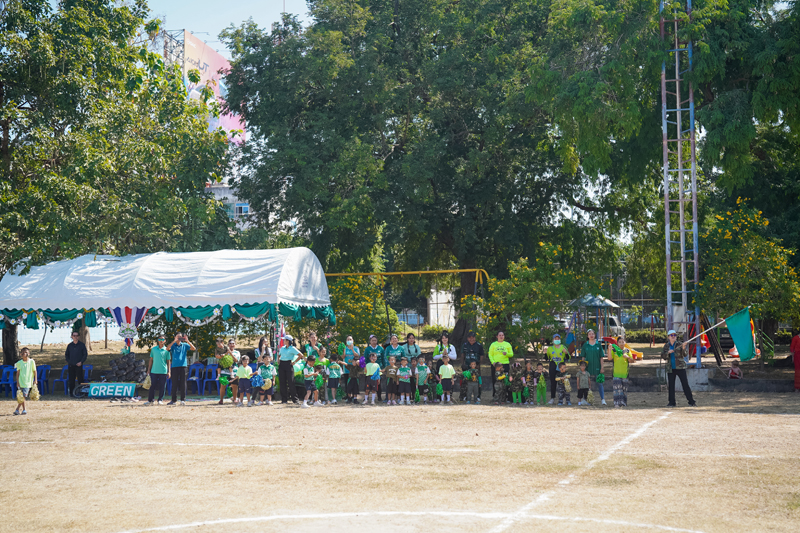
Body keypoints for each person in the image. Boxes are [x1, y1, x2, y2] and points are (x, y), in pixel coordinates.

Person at [660, 330, 696, 407]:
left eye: (674, 335)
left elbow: (685, 354)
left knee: (685, 384)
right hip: (670, 368)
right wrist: (668, 353)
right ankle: (672, 402)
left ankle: (691, 402)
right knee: (671, 386)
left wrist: (684, 347)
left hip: (680, 367)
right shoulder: (666, 346)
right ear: (668, 337)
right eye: (671, 335)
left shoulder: (680, 344)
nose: (673, 336)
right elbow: (663, 356)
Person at [166, 332, 196, 406]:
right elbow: (167, 348)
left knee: (183, 383)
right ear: (175, 337)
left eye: (180, 336)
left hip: (183, 366)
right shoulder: (173, 345)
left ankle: (183, 400)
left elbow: (193, 348)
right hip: (174, 367)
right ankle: (173, 400)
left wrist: (187, 341)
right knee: (174, 383)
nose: (179, 338)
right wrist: (174, 341)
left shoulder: (185, 345)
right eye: (178, 336)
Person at [581, 329, 607, 406]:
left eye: (592, 334)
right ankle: (586, 399)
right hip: (588, 367)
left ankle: (603, 400)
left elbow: (601, 357)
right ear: (587, 336)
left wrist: (602, 367)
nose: (591, 335)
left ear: (595, 335)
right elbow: (583, 357)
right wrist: (582, 367)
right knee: (586, 384)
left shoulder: (598, 345)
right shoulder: (585, 345)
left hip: (597, 367)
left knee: (599, 383)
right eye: (589, 334)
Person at [278, 335, 304, 404]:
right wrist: (278, 360)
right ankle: (284, 400)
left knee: (291, 382)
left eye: (284, 340)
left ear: (288, 341)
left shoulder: (293, 348)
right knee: (282, 382)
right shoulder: (282, 348)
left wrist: (294, 362)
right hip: (282, 364)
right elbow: (279, 354)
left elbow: (301, 355)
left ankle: (295, 399)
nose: (283, 341)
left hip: (288, 364)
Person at [145, 336, 171, 406]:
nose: (161, 340)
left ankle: (160, 400)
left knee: (162, 386)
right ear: (157, 340)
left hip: (163, 371)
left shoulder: (167, 350)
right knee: (152, 386)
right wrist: (148, 370)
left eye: (162, 339)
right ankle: (150, 400)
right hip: (154, 370)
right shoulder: (153, 349)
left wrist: (169, 371)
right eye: (160, 339)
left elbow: (168, 361)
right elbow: (151, 360)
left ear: (165, 340)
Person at [545, 333, 570, 404]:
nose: (557, 340)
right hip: (553, 365)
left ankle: (563, 398)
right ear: (553, 340)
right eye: (555, 339)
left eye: (558, 339)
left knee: (563, 382)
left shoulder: (563, 347)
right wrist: (545, 353)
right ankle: (552, 398)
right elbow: (546, 358)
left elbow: (568, 358)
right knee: (553, 382)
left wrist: (566, 353)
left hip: (561, 366)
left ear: (560, 339)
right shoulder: (550, 348)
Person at [611, 336, 635, 408]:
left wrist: (628, 357)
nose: (621, 343)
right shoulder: (614, 350)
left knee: (624, 390)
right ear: (617, 343)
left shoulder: (627, 351)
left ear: (625, 342)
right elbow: (609, 358)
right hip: (616, 374)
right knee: (617, 389)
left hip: (625, 374)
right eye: (620, 342)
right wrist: (609, 349)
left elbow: (632, 361)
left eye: (622, 342)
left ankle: (624, 403)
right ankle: (617, 403)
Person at [460, 331, 484, 402]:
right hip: (467, 366)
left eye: (473, 337)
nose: (471, 339)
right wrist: (462, 364)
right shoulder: (465, 345)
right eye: (470, 337)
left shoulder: (479, 345)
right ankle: (465, 395)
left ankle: (478, 396)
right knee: (465, 381)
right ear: (467, 338)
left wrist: (479, 365)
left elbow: (482, 355)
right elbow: (462, 355)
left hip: (476, 366)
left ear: (475, 338)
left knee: (477, 380)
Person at [488, 332, 513, 397]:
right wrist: (493, 362)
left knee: (505, 379)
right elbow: (490, 354)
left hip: (505, 364)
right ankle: (495, 395)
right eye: (500, 335)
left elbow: (511, 354)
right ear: (497, 336)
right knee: (495, 379)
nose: (501, 336)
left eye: (502, 335)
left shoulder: (507, 344)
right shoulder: (493, 344)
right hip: (496, 365)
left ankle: (506, 395)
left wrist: (506, 354)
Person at [13, 347, 36, 416]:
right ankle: (21, 410)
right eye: (23, 353)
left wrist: (36, 380)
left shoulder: (31, 362)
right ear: (21, 354)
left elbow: (34, 371)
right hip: (21, 382)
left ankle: (19, 409)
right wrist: (17, 382)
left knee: (24, 396)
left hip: (28, 382)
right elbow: (18, 373)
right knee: (21, 396)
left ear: (28, 353)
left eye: (26, 352)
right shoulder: (19, 363)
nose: (24, 354)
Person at [65, 330, 88, 397]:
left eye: (77, 336)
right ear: (72, 336)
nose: (75, 337)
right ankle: (72, 393)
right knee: (71, 380)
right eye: (74, 336)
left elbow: (85, 355)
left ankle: (81, 392)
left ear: (79, 337)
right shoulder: (70, 346)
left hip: (79, 365)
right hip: (71, 366)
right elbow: (66, 355)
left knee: (80, 379)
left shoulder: (82, 345)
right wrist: (69, 361)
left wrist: (81, 362)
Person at [341, 336, 361, 403]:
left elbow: (357, 356)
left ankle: (354, 397)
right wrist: (344, 349)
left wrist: (352, 349)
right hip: (347, 368)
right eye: (348, 339)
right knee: (347, 382)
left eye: (350, 339)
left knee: (354, 384)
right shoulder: (345, 348)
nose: (349, 340)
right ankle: (348, 396)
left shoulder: (356, 348)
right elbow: (343, 356)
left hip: (354, 369)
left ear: (353, 340)